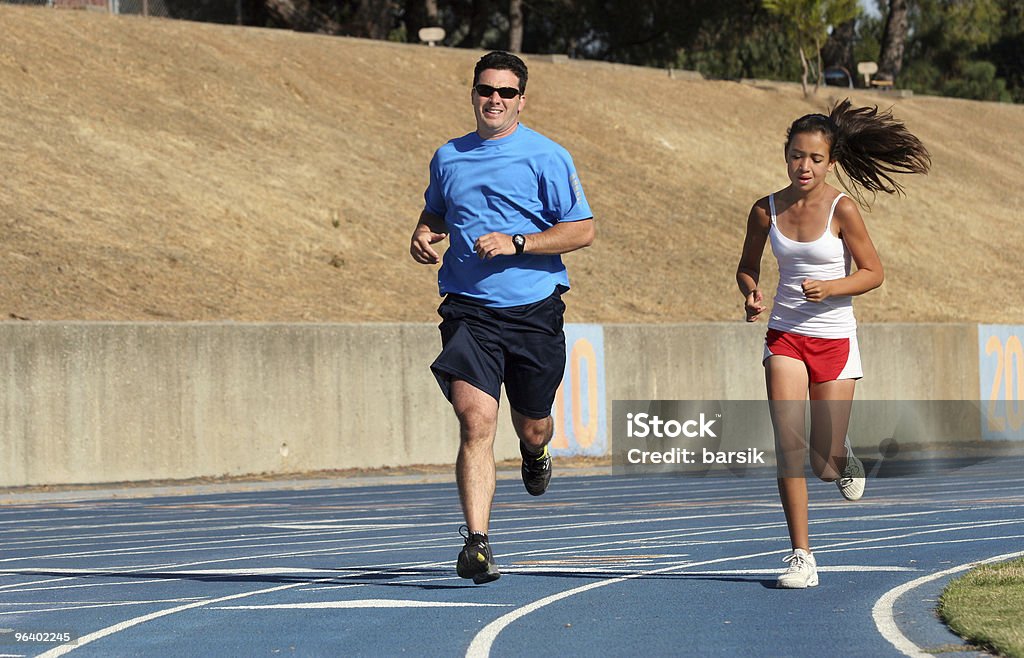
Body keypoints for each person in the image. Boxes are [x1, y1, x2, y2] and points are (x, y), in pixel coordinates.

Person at [409, 51, 595, 584]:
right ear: (473, 93)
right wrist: (423, 232)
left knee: (532, 423)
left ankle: (535, 452)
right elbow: (436, 210)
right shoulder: (449, 157)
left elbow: (581, 230)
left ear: (521, 100)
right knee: (476, 421)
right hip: (469, 310)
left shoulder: (548, 156)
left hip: (534, 308)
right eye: (486, 90)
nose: (495, 99)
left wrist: (519, 242)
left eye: (506, 93)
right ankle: (477, 543)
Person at [736, 99, 930, 589]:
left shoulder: (842, 209)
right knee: (788, 445)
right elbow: (747, 266)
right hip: (785, 336)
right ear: (786, 156)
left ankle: (842, 453)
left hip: (834, 340)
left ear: (831, 162)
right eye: (797, 156)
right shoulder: (766, 209)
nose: (805, 166)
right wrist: (751, 293)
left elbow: (874, 273)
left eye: (816, 159)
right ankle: (801, 555)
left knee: (823, 465)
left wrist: (832, 288)